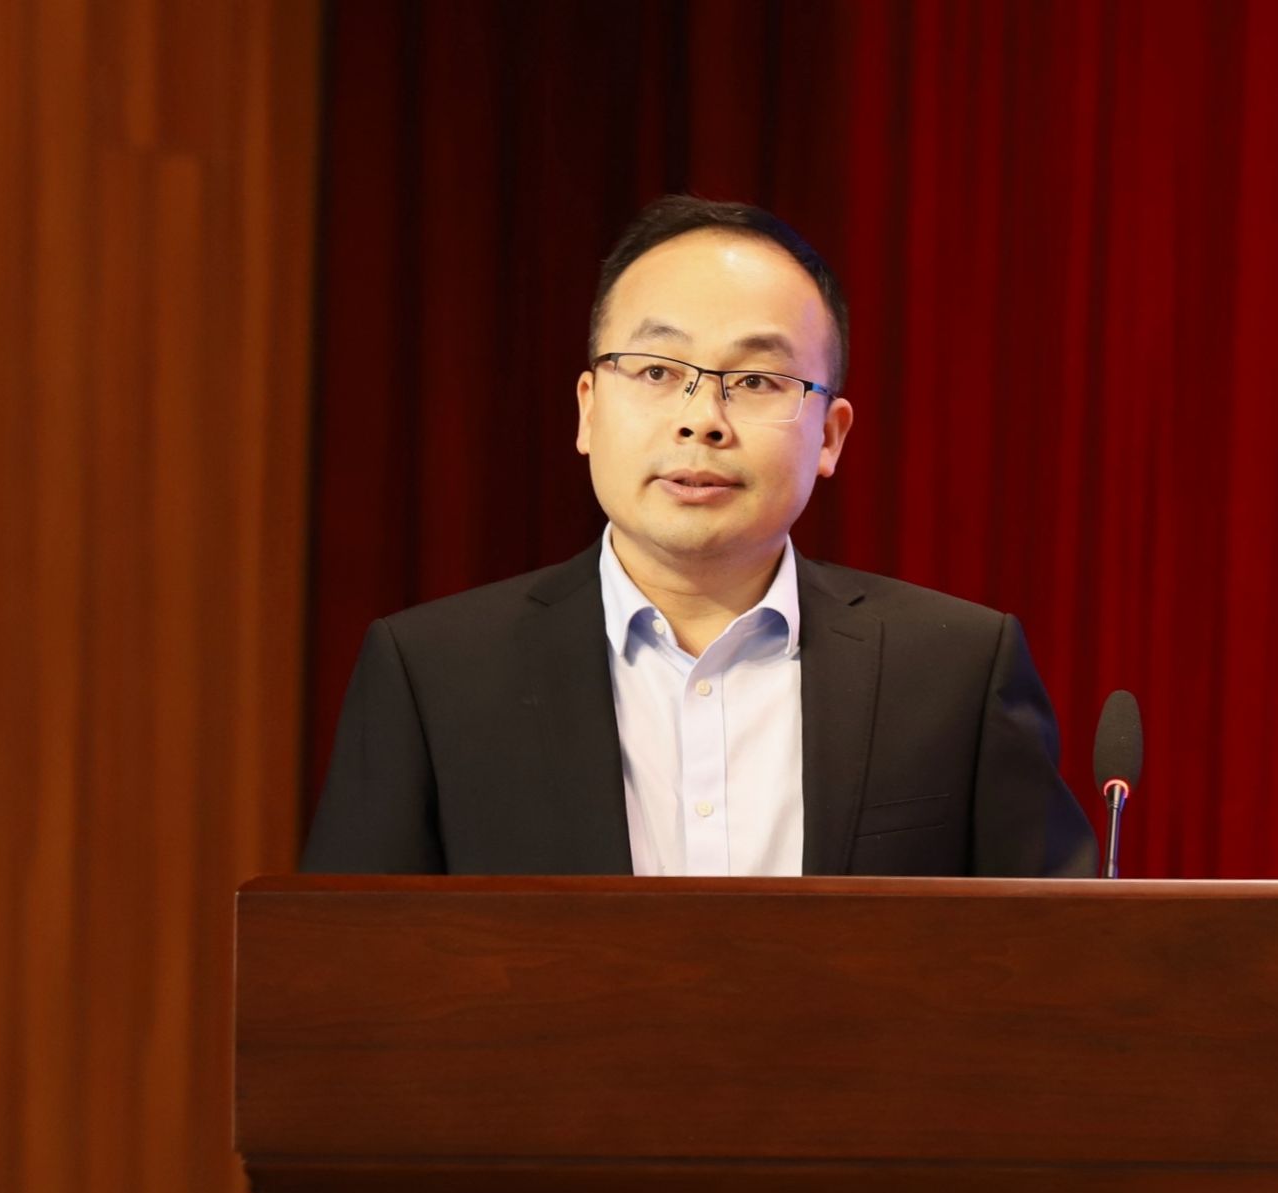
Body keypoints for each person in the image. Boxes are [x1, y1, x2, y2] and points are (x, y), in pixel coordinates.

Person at [302, 195, 1095, 878]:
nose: (701, 419)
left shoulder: (956, 672)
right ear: (587, 409)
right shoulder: (435, 675)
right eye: (657, 371)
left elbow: (1057, 963)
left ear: (830, 436)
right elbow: (347, 974)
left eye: (755, 381)